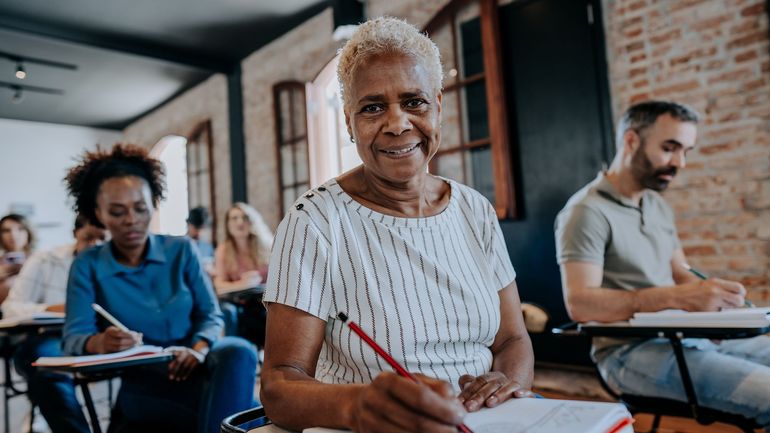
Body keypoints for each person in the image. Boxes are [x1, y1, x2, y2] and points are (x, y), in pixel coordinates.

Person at [260, 17, 534, 433]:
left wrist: (506, 385)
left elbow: (513, 340)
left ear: (438, 106)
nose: (397, 123)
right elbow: (279, 385)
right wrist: (360, 405)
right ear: (349, 124)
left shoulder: (474, 210)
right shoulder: (315, 220)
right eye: (372, 108)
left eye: (414, 102)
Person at [555, 100, 770, 427]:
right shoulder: (586, 212)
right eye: (670, 148)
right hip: (627, 355)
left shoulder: (657, 205)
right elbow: (580, 304)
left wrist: (715, 298)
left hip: (683, 337)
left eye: (687, 151)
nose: (680, 162)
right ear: (631, 141)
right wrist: (679, 298)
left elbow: (681, 273)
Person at [61, 144, 257, 433]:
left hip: (198, 363)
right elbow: (74, 338)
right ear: (98, 213)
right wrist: (101, 342)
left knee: (240, 350)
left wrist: (197, 351)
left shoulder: (181, 250)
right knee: (248, 411)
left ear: (154, 203)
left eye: (140, 208)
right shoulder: (87, 265)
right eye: (117, 212)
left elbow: (211, 316)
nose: (131, 220)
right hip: (145, 379)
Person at [3, 214, 105, 433]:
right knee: (47, 366)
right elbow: (11, 307)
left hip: (100, 337)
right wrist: (51, 308)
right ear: (75, 233)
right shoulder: (45, 259)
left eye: (102, 240)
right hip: (52, 336)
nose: (95, 245)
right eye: (89, 238)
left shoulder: (113, 264)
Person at [213, 203, 272, 293]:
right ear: (227, 225)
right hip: (240, 301)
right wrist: (242, 284)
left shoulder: (267, 245)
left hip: (267, 299)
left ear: (252, 222)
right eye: (234, 218)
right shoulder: (223, 250)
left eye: (245, 218)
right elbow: (219, 285)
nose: (240, 222)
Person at [0, 213, 35, 305]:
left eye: (20, 229)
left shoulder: (41, 261)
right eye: (6, 230)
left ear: (28, 232)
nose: (13, 235)